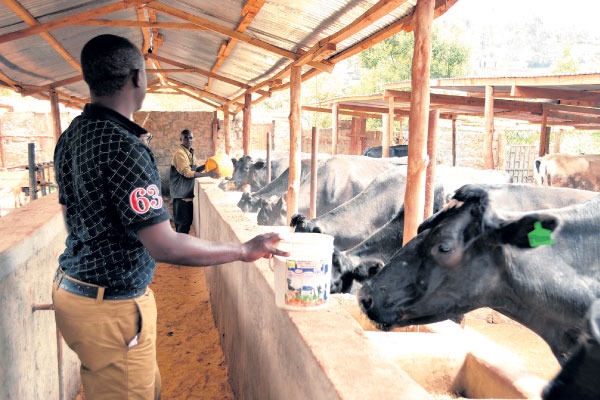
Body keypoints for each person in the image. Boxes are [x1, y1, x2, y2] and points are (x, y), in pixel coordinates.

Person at [52, 34, 288, 400]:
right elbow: (165, 246)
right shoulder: (124, 146)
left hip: (73, 290)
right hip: (110, 306)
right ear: (136, 77)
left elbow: (70, 213)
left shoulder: (73, 135)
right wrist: (244, 250)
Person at [169, 129, 214, 234]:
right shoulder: (180, 154)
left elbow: (195, 170)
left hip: (186, 196)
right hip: (181, 198)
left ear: (193, 139)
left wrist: (208, 164)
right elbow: (187, 173)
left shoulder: (190, 153)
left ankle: (180, 249)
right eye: (185, 138)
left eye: (190, 137)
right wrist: (208, 174)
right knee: (182, 228)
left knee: (185, 226)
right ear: (181, 139)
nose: (188, 140)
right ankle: (179, 250)